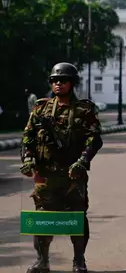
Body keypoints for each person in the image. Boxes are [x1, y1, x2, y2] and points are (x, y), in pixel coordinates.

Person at [19, 62, 103, 273]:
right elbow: (28, 138)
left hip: (72, 174)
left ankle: (79, 260)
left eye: (63, 80)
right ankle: (42, 261)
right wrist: (28, 159)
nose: (58, 84)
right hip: (46, 174)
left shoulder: (85, 109)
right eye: (55, 80)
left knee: (77, 217)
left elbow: (94, 139)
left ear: (72, 83)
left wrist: (82, 162)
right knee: (42, 218)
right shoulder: (41, 108)